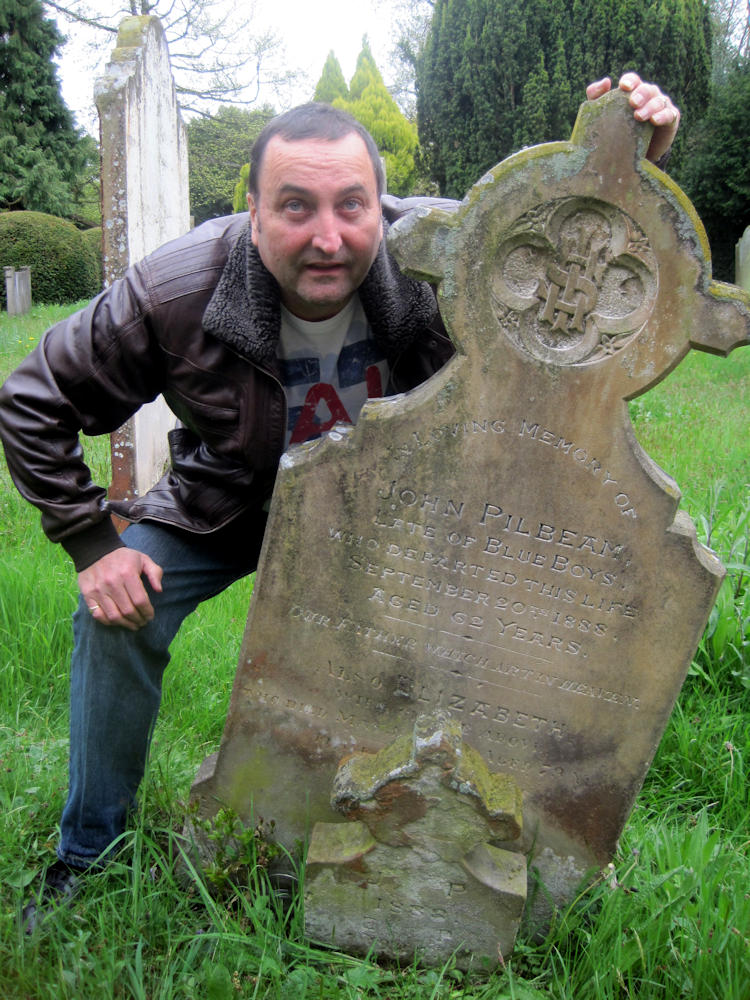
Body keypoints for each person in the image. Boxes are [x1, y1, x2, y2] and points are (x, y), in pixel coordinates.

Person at [0, 73, 679, 929]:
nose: (329, 237)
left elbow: (561, 234)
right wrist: (93, 545)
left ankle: (429, 825)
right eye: (295, 207)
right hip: (238, 501)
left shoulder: (444, 246)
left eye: (352, 206)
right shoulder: (176, 292)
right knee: (114, 620)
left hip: (400, 509)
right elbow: (31, 398)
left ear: (381, 203)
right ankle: (87, 858)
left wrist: (631, 157)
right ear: (252, 213)